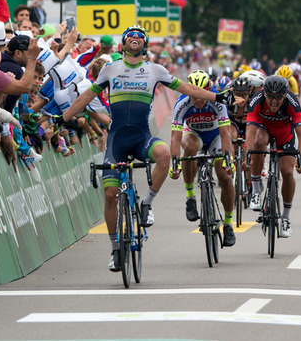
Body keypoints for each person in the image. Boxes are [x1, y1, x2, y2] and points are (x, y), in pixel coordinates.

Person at [58, 25, 234, 272]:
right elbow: (85, 98)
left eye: (141, 37)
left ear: (146, 44)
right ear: (123, 42)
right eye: (131, 35)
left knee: (164, 154)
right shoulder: (109, 70)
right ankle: (115, 249)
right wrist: (62, 119)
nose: (136, 38)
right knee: (110, 195)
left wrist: (217, 97)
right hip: (116, 141)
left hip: (141, 138)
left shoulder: (155, 70)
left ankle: (147, 204)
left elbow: (186, 88)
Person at [169, 70, 236, 247]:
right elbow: (175, 137)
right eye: (194, 95)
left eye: (202, 95)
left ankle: (228, 224)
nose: (198, 100)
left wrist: (229, 160)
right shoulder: (182, 104)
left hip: (215, 137)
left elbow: (226, 134)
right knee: (189, 148)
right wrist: (174, 164)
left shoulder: (218, 102)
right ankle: (190, 196)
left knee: (226, 178)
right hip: (194, 134)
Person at [245, 75, 301, 238]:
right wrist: (247, 157)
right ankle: (257, 189)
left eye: (278, 97)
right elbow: (250, 132)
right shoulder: (257, 100)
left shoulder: (292, 102)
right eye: (270, 96)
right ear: (264, 93)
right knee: (258, 142)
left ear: (285, 95)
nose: (274, 101)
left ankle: (286, 217)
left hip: (284, 133)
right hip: (263, 129)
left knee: (287, 172)